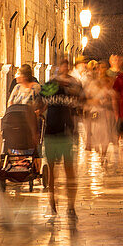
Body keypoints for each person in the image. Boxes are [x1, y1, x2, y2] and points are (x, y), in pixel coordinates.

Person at [41, 58, 83, 218]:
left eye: (67, 66)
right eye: (62, 66)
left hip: (68, 132)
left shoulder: (75, 84)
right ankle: (52, 201)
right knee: (52, 170)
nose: (64, 68)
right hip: (52, 130)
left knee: (70, 169)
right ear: (58, 67)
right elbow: (42, 102)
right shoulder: (51, 84)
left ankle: (71, 205)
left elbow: (80, 101)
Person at [84, 62, 117, 165]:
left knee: (106, 134)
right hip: (95, 111)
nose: (102, 70)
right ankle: (98, 151)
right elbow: (87, 97)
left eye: (104, 68)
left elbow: (114, 96)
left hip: (107, 112)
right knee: (96, 132)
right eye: (101, 67)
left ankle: (103, 155)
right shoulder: (93, 83)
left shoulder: (110, 82)